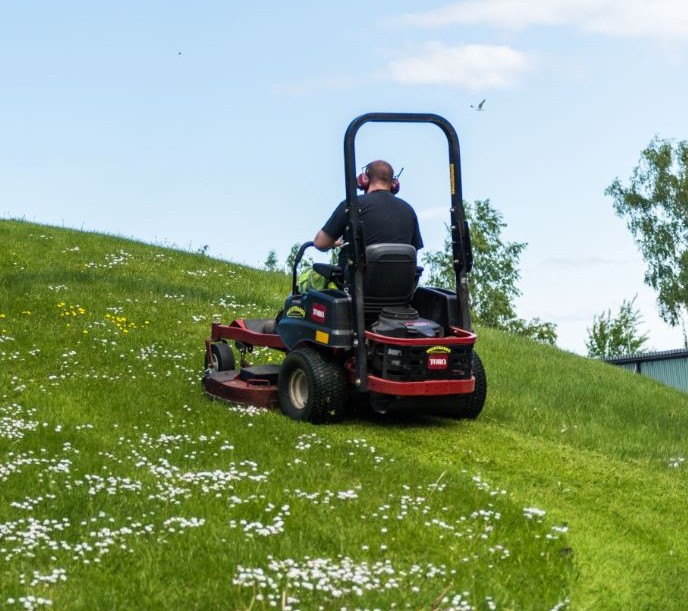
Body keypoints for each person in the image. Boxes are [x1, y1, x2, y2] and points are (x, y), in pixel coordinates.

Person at [300, 160, 423, 291]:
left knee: (308, 278)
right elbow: (412, 250)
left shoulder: (352, 205)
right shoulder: (409, 211)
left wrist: (333, 243)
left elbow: (320, 243)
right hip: (397, 291)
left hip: (356, 290)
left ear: (364, 179)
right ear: (393, 184)